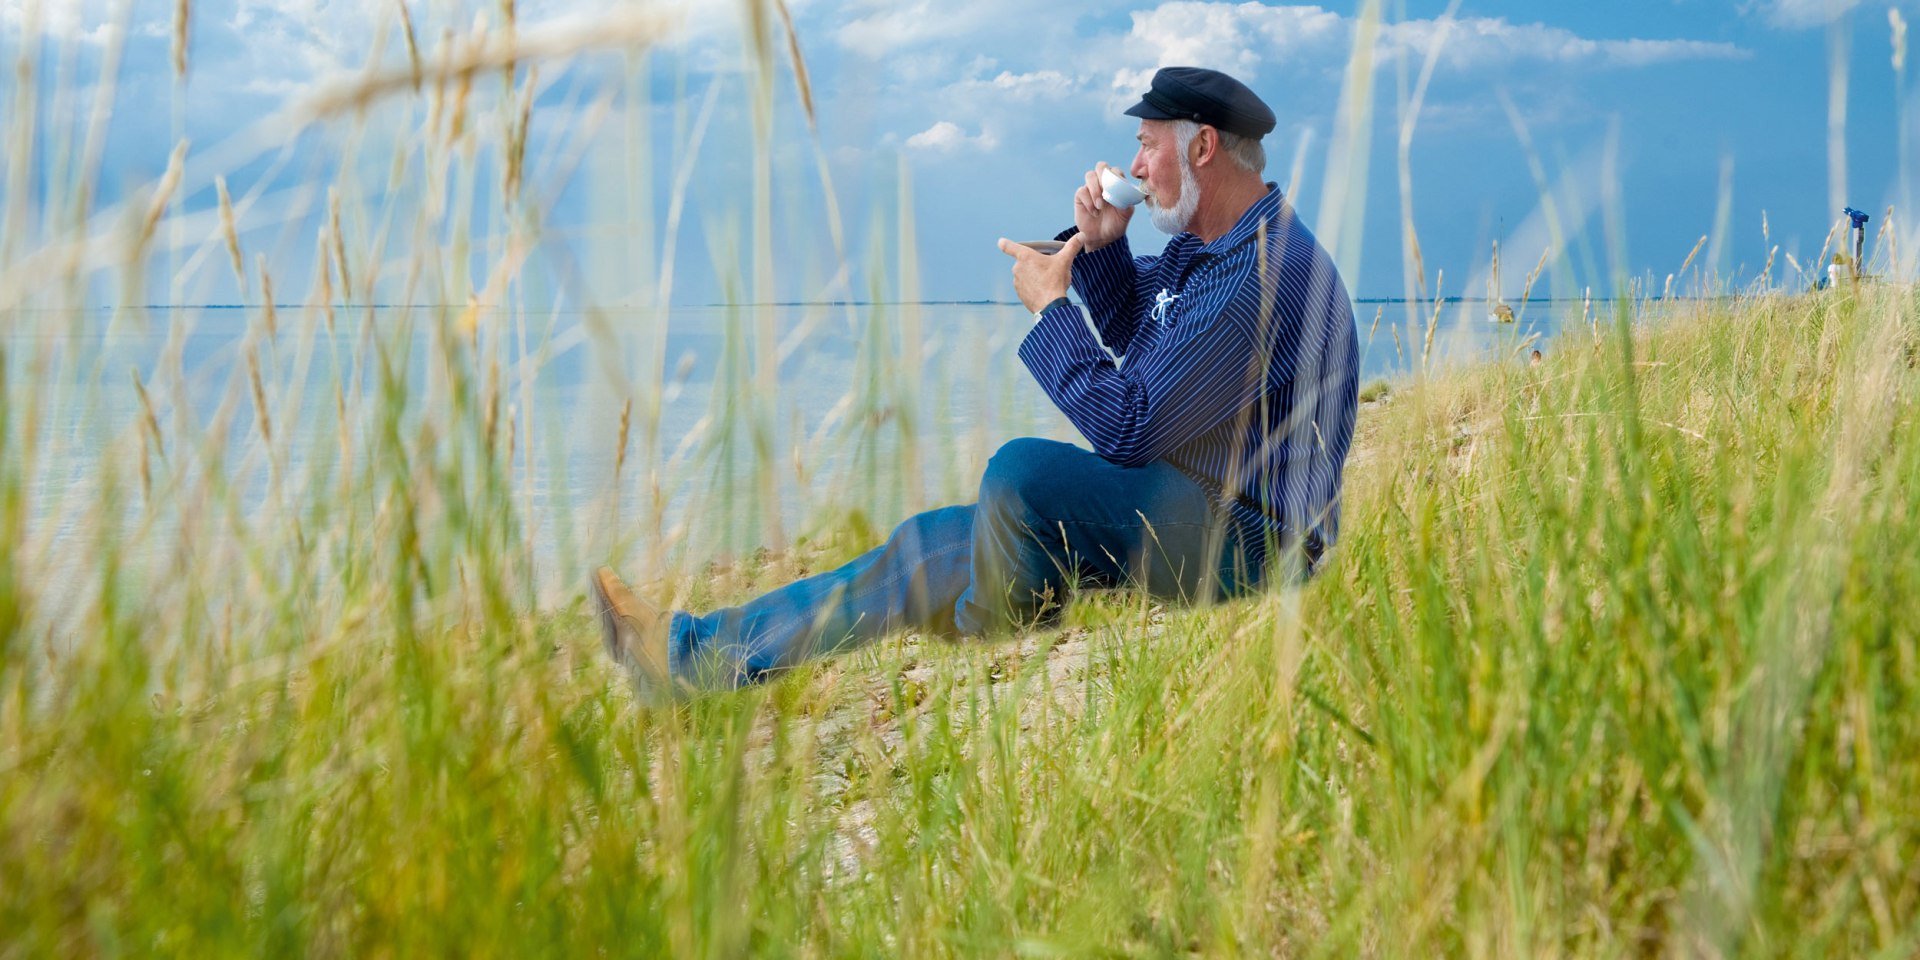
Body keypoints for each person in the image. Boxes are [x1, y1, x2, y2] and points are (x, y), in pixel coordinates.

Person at [591, 66, 1359, 697]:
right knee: (924, 542)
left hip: (1251, 540)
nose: (1132, 167)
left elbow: (1129, 426)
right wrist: (1098, 249)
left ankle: (998, 613)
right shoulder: (1222, 247)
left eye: (1147, 145)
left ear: (1203, 150)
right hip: (1185, 500)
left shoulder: (1261, 272)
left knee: (1021, 475)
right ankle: (689, 659)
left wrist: (1052, 310)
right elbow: (1148, 344)